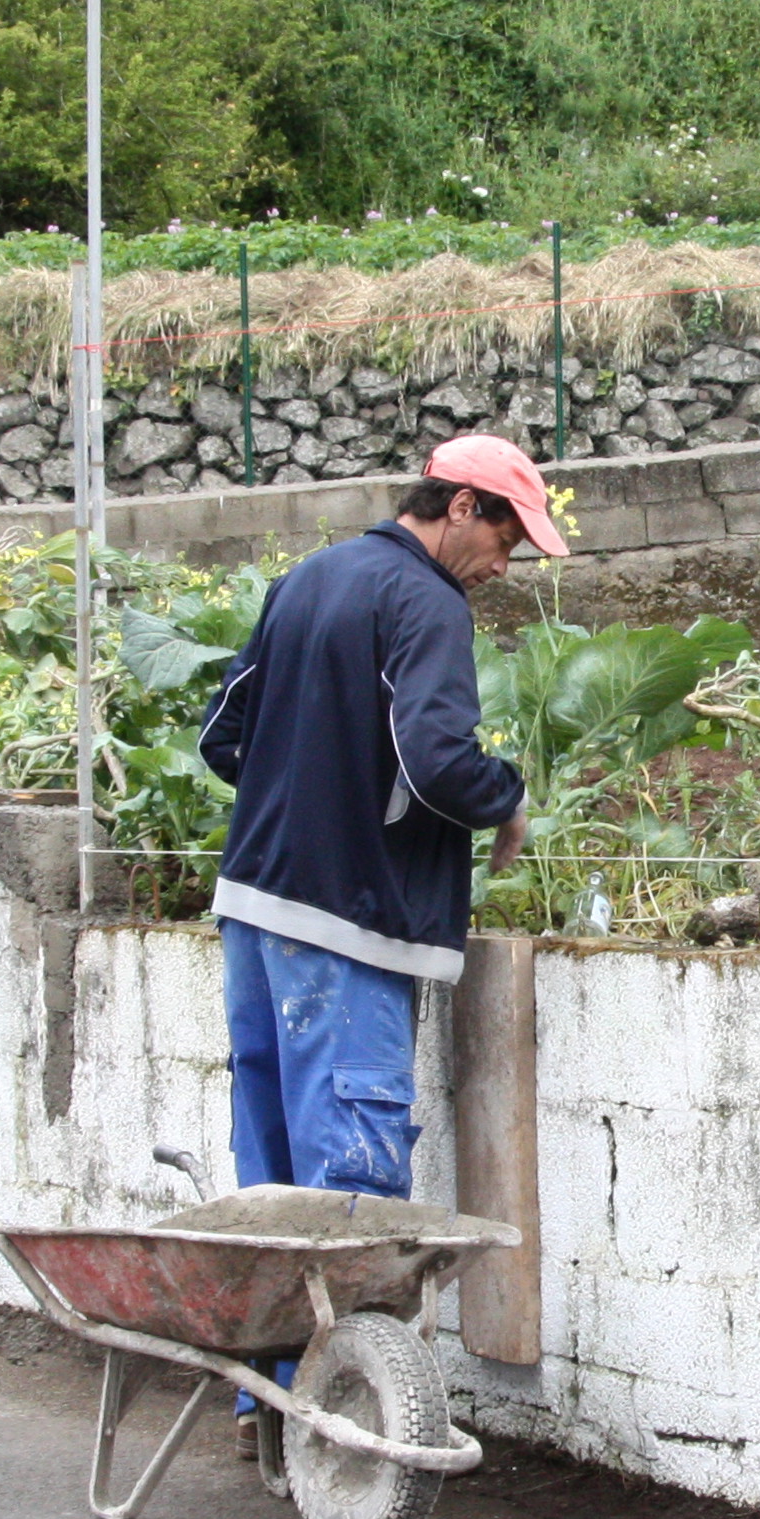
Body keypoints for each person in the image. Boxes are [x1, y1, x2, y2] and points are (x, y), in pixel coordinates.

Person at [195, 436, 560, 1201]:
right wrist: (509, 801)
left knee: (272, 1176)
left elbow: (221, 737)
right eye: (505, 541)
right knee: (348, 1184)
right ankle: (355, 1324)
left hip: (251, 914)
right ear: (460, 507)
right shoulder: (427, 600)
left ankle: (282, 1323)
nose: (502, 567)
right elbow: (435, 760)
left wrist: (314, 789)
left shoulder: (307, 576)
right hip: (346, 924)